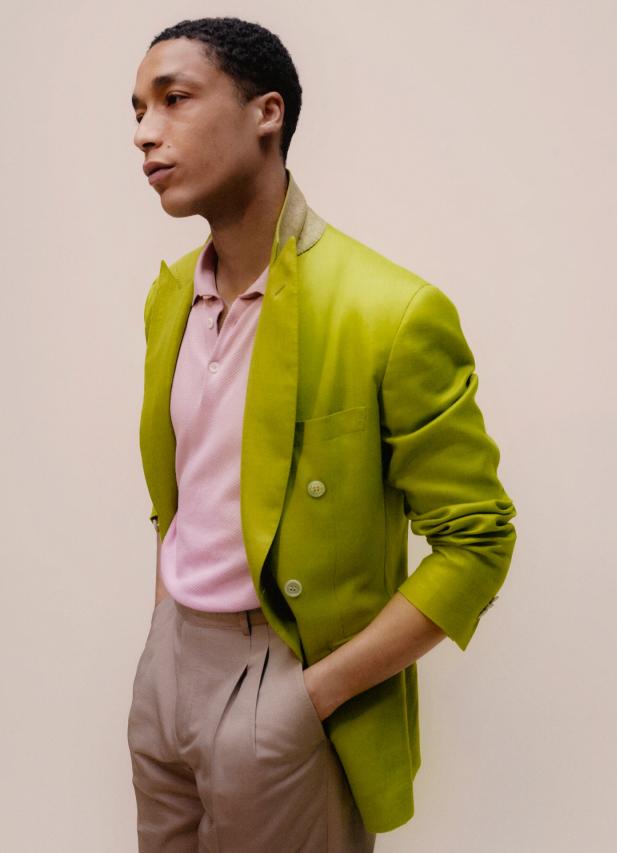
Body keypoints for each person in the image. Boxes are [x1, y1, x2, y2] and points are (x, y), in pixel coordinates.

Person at [126, 15, 517, 853]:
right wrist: (162, 639)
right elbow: (185, 490)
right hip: (169, 667)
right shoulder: (170, 296)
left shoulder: (389, 311)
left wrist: (312, 694)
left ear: (266, 113)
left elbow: (478, 539)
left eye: (174, 99)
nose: (145, 133)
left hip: (283, 677)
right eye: (137, 111)